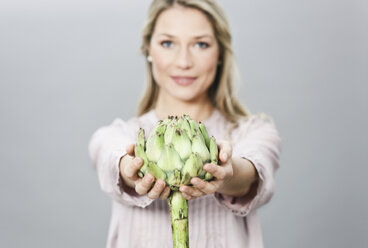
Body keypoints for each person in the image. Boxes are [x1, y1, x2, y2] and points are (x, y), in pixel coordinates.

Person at [88, 0, 281, 247]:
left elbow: (254, 171)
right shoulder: (123, 135)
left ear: (220, 52)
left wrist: (226, 172)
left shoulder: (254, 132)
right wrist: (130, 169)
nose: (183, 62)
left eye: (201, 44)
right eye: (167, 43)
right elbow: (106, 151)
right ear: (148, 49)